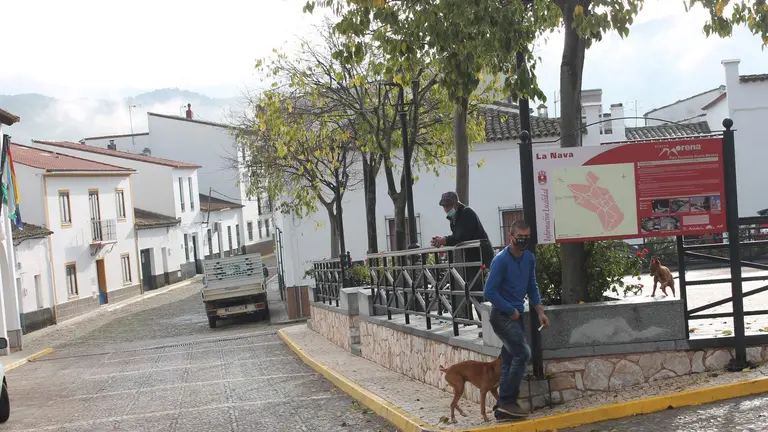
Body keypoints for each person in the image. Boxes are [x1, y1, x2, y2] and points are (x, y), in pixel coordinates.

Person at [483, 219, 550, 419]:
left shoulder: (529, 258)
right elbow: (489, 291)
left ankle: (502, 408)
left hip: (517, 316)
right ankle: (507, 401)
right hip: (502, 316)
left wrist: (540, 311)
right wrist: (510, 309)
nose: (523, 241)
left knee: (509, 359)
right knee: (523, 353)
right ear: (510, 237)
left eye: (526, 238)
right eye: (519, 237)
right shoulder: (501, 260)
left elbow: (532, 285)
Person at [430, 191, 495, 319]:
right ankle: (485, 324)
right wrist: (443, 241)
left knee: (479, 291)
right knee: (475, 291)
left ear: (456, 203)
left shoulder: (467, 213)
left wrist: (444, 240)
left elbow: (462, 236)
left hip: (481, 257)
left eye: (448, 206)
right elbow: (457, 238)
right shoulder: (454, 218)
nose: (446, 209)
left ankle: (489, 324)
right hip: (471, 258)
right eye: (444, 207)